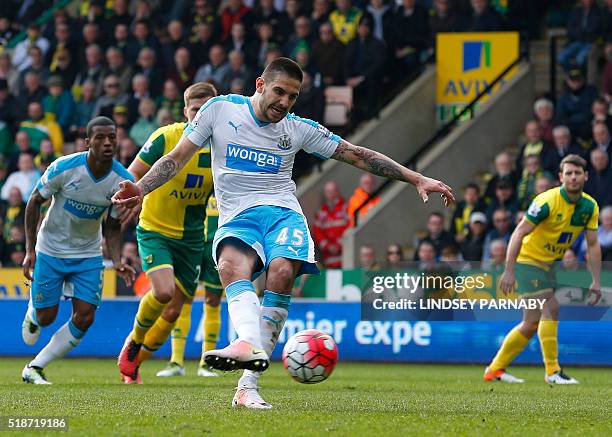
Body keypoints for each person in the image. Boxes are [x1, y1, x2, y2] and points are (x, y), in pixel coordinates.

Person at [112, 57, 455, 408]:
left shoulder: (298, 128)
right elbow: (177, 157)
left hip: (282, 214)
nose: (284, 102)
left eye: (292, 97)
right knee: (231, 267)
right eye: (279, 92)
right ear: (260, 85)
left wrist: (416, 177)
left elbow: (356, 155)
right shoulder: (219, 110)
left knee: (280, 272)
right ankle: (247, 343)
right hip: (237, 216)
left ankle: (247, 386)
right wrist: (141, 187)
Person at [20, 117, 135, 384]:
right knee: (46, 317)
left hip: (88, 254)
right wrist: (29, 250)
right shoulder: (64, 167)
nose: (107, 143)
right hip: (50, 249)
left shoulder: (122, 180)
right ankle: (33, 313)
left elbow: (114, 225)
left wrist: (117, 259)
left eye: (112, 137)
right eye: (100, 138)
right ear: (87, 142)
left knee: (85, 317)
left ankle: (35, 367)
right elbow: (34, 202)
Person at [115, 83, 217, 384]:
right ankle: (133, 342)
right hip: (156, 229)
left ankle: (133, 367)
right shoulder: (165, 137)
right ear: (185, 112)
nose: (201, 115)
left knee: (173, 311)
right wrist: (133, 195)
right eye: (196, 109)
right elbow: (131, 173)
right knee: (162, 292)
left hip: (193, 238)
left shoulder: (224, 147)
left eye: (207, 109)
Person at [484, 154, 601, 384]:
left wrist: (595, 280)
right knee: (551, 307)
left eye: (577, 173)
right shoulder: (546, 201)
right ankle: (553, 372)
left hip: (548, 267)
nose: (573, 177)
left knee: (530, 324)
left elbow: (593, 245)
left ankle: (494, 370)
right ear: (560, 177)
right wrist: (509, 270)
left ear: (585, 176)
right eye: (568, 173)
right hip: (527, 262)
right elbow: (519, 232)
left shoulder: (590, 206)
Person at [156, 191, 225, 378]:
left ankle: (206, 364)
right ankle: (176, 361)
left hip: (216, 244)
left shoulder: (223, 176)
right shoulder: (197, 177)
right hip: (191, 242)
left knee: (213, 300)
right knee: (182, 298)